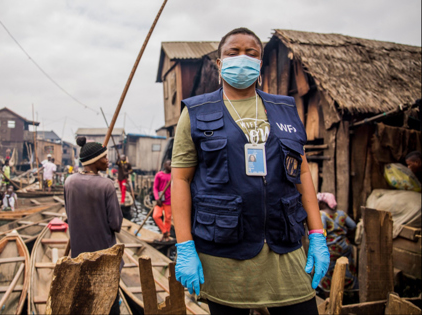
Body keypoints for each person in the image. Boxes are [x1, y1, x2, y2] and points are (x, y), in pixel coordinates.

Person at [171, 27, 329, 314]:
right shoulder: (196, 112)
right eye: (233, 53)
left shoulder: (284, 109)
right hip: (224, 249)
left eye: (251, 53)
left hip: (284, 244)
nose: (242, 58)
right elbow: (180, 179)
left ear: (260, 63)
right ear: (220, 64)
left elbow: (302, 173)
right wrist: (184, 246)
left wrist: (317, 234)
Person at [64, 136, 123, 315]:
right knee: (109, 304)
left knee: (83, 301)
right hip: (104, 258)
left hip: (79, 257)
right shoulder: (107, 185)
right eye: (104, 157)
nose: (108, 160)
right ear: (95, 161)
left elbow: (69, 215)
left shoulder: (69, 182)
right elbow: (116, 224)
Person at [317, 192, 357, 292]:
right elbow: (353, 225)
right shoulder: (341, 214)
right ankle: (348, 289)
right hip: (345, 246)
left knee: (328, 270)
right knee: (347, 268)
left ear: (322, 204)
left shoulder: (322, 214)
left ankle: (328, 291)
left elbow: (322, 232)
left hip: (331, 248)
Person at [153, 160, 173, 241]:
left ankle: (166, 236)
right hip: (160, 201)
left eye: (171, 165)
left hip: (169, 201)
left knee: (168, 219)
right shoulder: (159, 175)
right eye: (169, 164)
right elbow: (155, 188)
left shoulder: (173, 176)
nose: (171, 166)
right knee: (156, 216)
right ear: (165, 165)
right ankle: (165, 232)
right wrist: (157, 198)